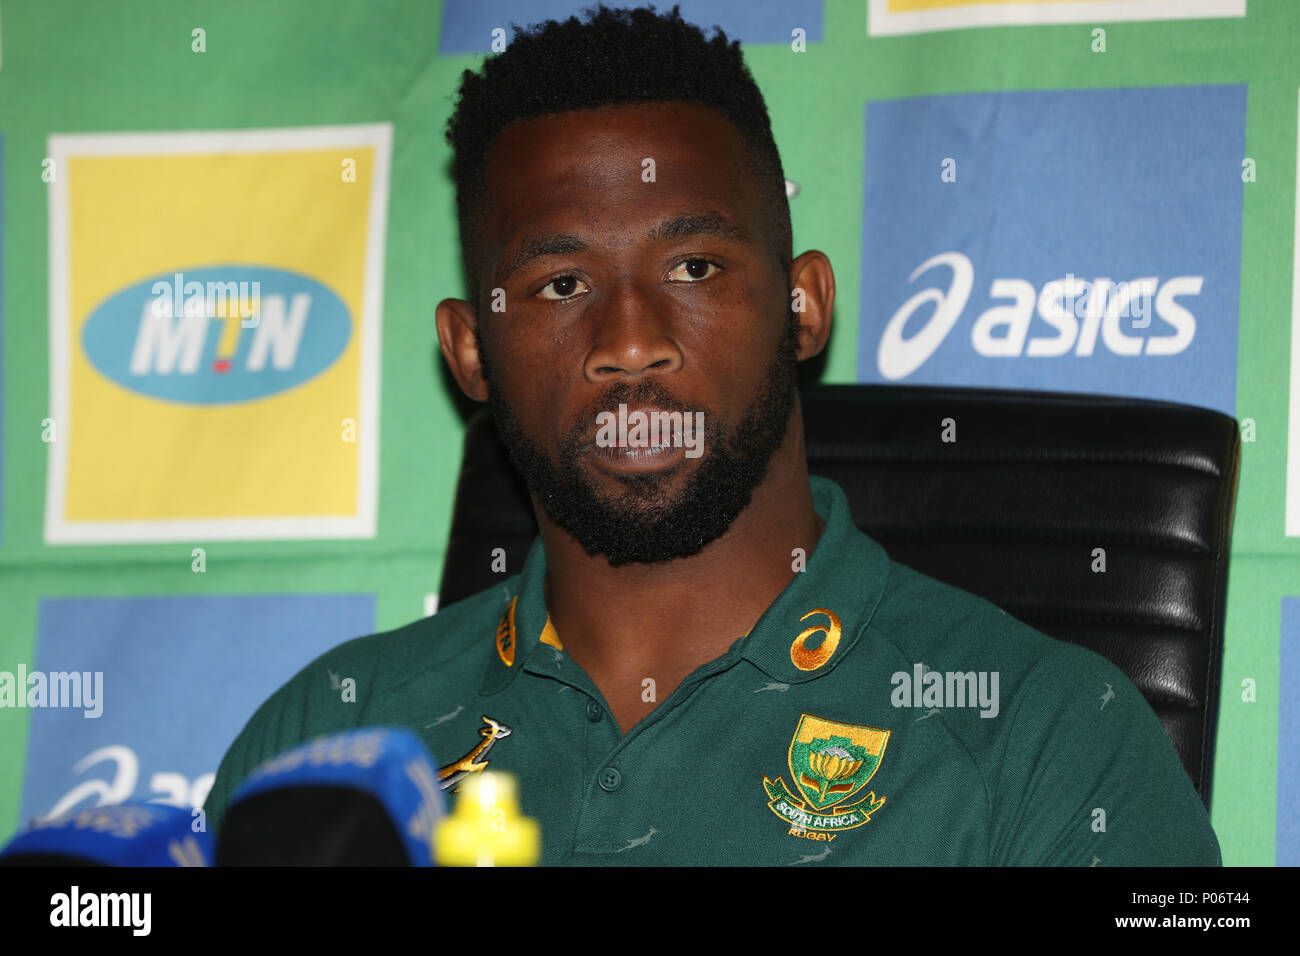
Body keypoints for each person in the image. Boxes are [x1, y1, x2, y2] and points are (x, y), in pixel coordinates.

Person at [203, 3, 1221, 865]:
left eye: (692, 267)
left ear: (802, 302)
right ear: (471, 351)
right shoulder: (329, 739)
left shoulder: (1046, 739)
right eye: (561, 285)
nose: (631, 342)